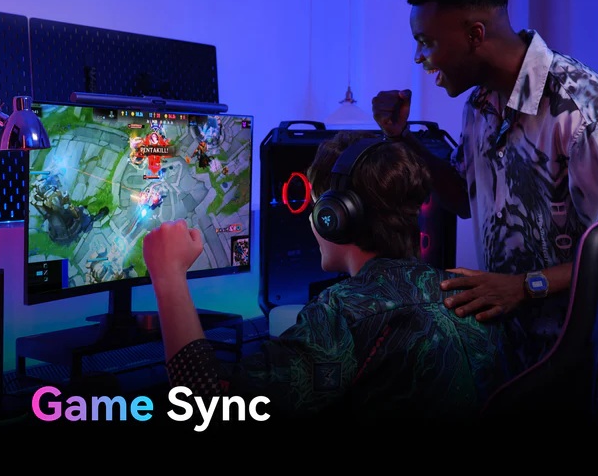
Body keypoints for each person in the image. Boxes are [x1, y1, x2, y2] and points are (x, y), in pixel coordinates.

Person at [143, 130, 521, 431]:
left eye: (315, 205)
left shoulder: (345, 313)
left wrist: (168, 275)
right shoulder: (473, 295)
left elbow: (204, 404)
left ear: (334, 216)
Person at [372, 0, 598, 370]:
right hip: (512, 353)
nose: (419, 57)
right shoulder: (479, 104)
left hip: (581, 362)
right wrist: (402, 138)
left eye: (426, 42)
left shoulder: (579, 108)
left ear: (475, 34)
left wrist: (524, 286)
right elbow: (463, 198)